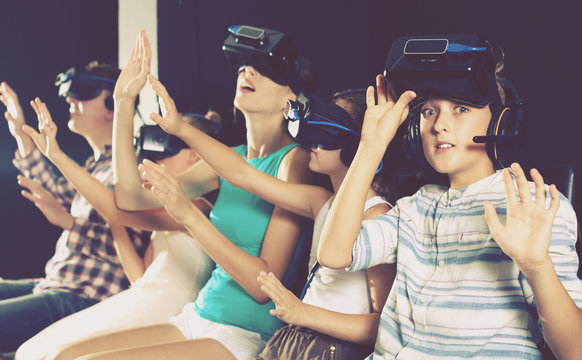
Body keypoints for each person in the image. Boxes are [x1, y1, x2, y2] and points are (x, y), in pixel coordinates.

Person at [48, 28, 315, 360]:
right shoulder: (229, 158)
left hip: (242, 334)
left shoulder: (294, 162)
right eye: (245, 65)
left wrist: (188, 215)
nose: (247, 71)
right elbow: (129, 199)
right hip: (196, 316)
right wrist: (123, 102)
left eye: (265, 69)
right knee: (61, 356)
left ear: (293, 99)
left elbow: (263, 289)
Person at [317, 35, 582, 359]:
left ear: (500, 121)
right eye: (429, 111)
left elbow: (575, 350)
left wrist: (537, 266)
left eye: (460, 108)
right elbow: (333, 254)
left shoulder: (534, 207)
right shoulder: (415, 207)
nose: (440, 124)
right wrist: (371, 145)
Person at [139, 85, 401, 359]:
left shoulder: (376, 217)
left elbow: (385, 326)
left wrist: (304, 313)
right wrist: (180, 128)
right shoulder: (321, 202)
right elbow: (243, 174)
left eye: (327, 130)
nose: (311, 137)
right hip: (298, 343)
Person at [14, 103, 219, 360]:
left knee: (56, 354)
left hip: (168, 305)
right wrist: (114, 221)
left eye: (165, 152)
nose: (156, 160)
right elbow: (138, 276)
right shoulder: (164, 218)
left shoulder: (197, 207)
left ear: (195, 155)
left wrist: (58, 156)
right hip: (143, 293)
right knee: (32, 350)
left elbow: (118, 207)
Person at [0, 62, 147, 353]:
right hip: (54, 283)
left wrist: (71, 223)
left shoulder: (133, 169)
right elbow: (56, 192)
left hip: (84, 296)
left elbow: (132, 240)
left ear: (112, 107)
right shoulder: (95, 167)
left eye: (84, 93)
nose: (71, 100)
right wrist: (21, 133)